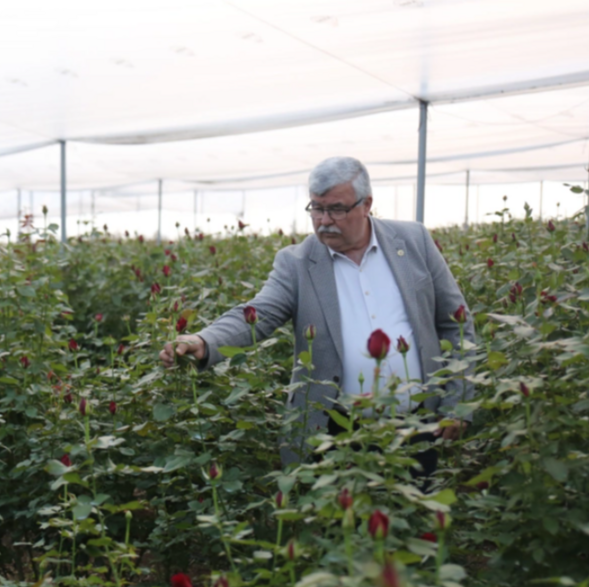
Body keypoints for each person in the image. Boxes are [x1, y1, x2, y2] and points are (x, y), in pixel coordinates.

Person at [159, 156, 475, 471]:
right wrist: (205, 341)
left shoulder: (414, 241)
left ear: (366, 205)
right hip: (335, 433)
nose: (324, 220)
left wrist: (457, 402)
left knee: (415, 516)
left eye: (336, 209)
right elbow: (260, 312)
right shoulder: (297, 263)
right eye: (316, 208)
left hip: (417, 427)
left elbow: (456, 324)